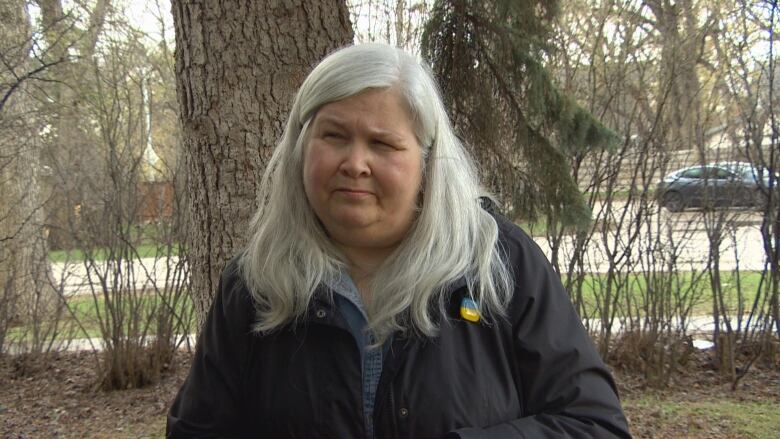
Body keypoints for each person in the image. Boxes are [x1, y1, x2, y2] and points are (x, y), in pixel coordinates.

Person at [167, 43, 632, 439]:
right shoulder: (256, 282)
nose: (355, 163)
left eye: (383, 144)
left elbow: (594, 425)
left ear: (427, 163)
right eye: (333, 135)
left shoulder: (499, 263)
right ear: (299, 149)